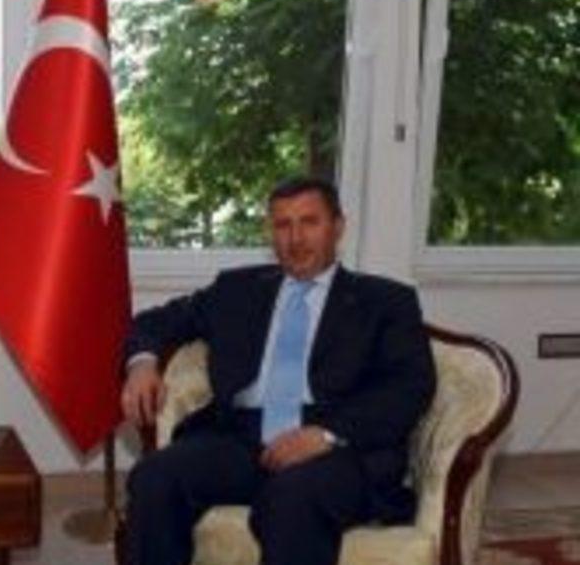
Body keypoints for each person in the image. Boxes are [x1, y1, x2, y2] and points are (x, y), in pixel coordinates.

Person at [121, 176, 436, 565]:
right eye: (283, 225)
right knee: (154, 478)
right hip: (239, 438)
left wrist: (326, 434)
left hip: (335, 449)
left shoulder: (385, 301)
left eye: (309, 222)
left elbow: (410, 385)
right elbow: (155, 322)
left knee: (291, 500)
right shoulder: (237, 289)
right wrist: (142, 363)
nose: (296, 238)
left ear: (338, 227)